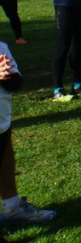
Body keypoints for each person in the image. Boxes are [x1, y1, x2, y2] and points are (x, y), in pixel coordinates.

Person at [0, 40, 57, 222]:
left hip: (2, 121)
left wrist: (7, 76)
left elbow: (15, 82)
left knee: (4, 156)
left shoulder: (1, 47)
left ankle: (13, 206)